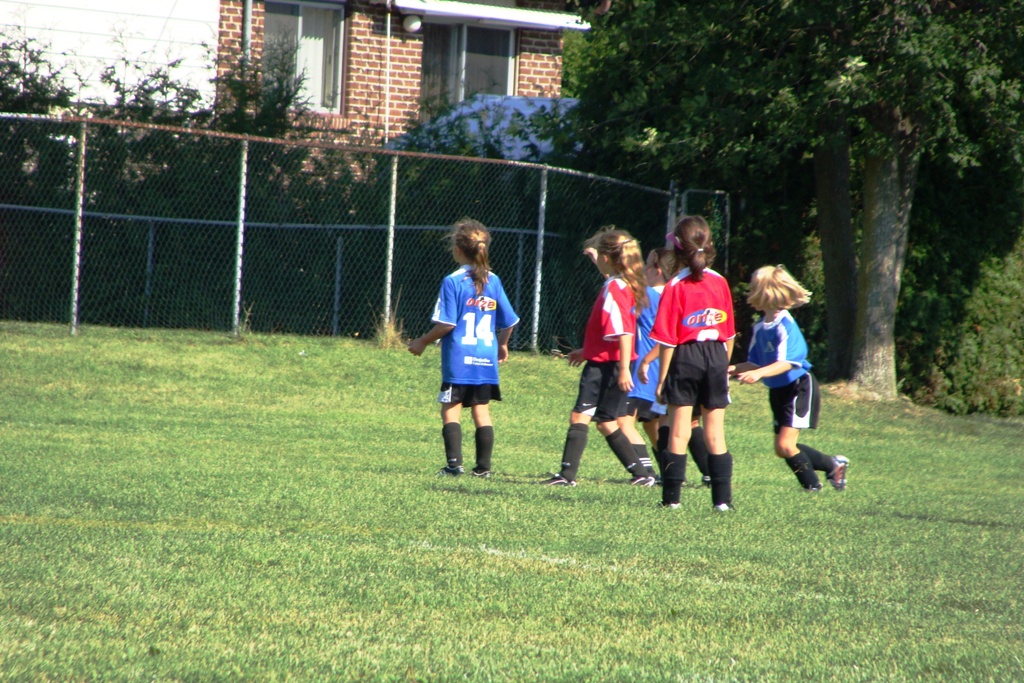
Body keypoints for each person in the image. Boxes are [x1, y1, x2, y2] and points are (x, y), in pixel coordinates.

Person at [542, 227, 654, 487]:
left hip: (607, 366)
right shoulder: (622, 283)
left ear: (607, 258)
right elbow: (610, 335)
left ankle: (566, 476)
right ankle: (642, 474)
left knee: (580, 416)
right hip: (611, 362)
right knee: (606, 422)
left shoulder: (614, 288)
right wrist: (587, 351)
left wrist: (623, 369)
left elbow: (624, 332)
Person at [408, 218, 519, 478]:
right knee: (481, 410)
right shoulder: (493, 280)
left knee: (451, 408)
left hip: (459, 359)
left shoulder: (453, 281)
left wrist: (422, 341)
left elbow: (447, 324)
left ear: (458, 250)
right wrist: (502, 345)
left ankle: (454, 466)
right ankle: (483, 469)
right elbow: (510, 321)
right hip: (485, 359)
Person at [728, 265, 849, 491]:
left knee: (786, 445)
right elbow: (755, 362)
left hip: (798, 387)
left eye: (753, 288)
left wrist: (758, 373)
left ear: (766, 293)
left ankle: (812, 487)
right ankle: (833, 464)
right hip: (779, 390)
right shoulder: (760, 327)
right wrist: (731, 369)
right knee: (781, 448)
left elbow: (788, 363)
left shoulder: (785, 325)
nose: (749, 293)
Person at [649, 215, 736, 511]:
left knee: (678, 431)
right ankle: (722, 502)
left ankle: (672, 501)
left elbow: (668, 340)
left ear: (677, 249)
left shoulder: (675, 285)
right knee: (715, 433)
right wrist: (721, 369)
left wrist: (662, 380)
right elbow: (729, 334)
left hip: (686, 356)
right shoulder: (720, 282)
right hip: (716, 355)